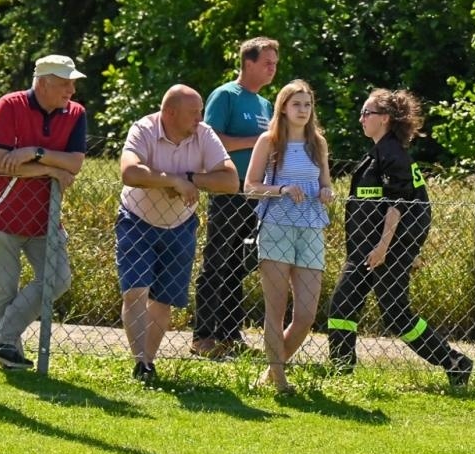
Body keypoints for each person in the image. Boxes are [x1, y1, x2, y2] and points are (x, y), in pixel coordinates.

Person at [324, 88, 472, 387]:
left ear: (385, 119)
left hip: (383, 250)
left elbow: (399, 205)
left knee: (395, 314)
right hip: (365, 251)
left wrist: (385, 248)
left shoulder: (393, 155)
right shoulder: (377, 153)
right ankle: (341, 372)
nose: (361, 118)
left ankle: (454, 362)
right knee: (342, 307)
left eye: (367, 113)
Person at [0, 54, 88, 368]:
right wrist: (50, 169)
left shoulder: (76, 113)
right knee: (3, 293)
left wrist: (32, 153)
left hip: (45, 219)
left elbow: (75, 163)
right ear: (44, 82)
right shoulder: (9, 106)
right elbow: (0, 164)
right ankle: (9, 357)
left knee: (58, 279)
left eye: (72, 84)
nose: (71, 91)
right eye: (65, 84)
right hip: (0, 214)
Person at [117, 85, 238, 382]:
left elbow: (231, 181)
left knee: (163, 299)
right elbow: (129, 173)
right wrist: (171, 181)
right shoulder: (143, 129)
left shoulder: (204, 134)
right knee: (135, 291)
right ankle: (140, 362)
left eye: (200, 112)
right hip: (137, 220)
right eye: (193, 112)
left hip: (180, 225)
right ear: (170, 113)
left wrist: (188, 178)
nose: (200, 118)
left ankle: (148, 363)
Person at [245, 80, 335, 393]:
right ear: (283, 107)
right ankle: (280, 380)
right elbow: (250, 186)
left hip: (311, 227)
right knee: (276, 309)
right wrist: (281, 189)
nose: (303, 110)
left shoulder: (318, 143)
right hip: (276, 227)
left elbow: (326, 183)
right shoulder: (269, 141)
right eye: (296, 104)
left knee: (307, 314)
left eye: (307, 105)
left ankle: (271, 371)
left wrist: (327, 192)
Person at [191, 37, 279, 358]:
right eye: (267, 63)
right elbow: (211, 139)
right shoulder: (226, 95)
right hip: (229, 189)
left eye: (275, 64)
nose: (272, 69)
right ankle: (203, 336)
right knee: (217, 259)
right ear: (248, 63)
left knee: (238, 264)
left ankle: (230, 335)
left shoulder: (265, 105)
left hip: (256, 192)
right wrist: (258, 141)